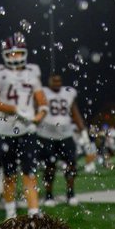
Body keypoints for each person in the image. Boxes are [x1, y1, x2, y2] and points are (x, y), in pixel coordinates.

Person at [0, 32, 47, 219]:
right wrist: (14, 108)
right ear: (5, 55)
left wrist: (38, 116)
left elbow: (42, 102)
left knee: (30, 173)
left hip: (26, 130)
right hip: (5, 130)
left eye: (19, 53)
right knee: (10, 174)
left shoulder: (32, 74)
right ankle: (10, 211)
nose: (16, 57)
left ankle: (34, 212)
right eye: (12, 54)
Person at [38, 73, 87, 206]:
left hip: (66, 135)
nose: (57, 83)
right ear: (49, 82)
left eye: (59, 81)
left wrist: (82, 130)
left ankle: (70, 194)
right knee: (49, 167)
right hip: (47, 135)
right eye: (54, 81)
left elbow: (74, 112)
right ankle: (48, 195)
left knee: (71, 165)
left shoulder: (68, 93)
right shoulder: (43, 92)